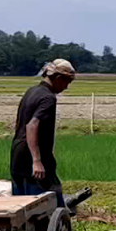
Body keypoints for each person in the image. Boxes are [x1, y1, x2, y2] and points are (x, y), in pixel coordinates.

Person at [11, 59, 75, 207]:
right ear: (58, 78)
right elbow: (32, 125)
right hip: (34, 158)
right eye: (67, 82)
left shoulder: (31, 91)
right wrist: (37, 161)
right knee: (51, 203)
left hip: (17, 154)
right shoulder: (48, 98)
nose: (66, 87)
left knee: (20, 206)